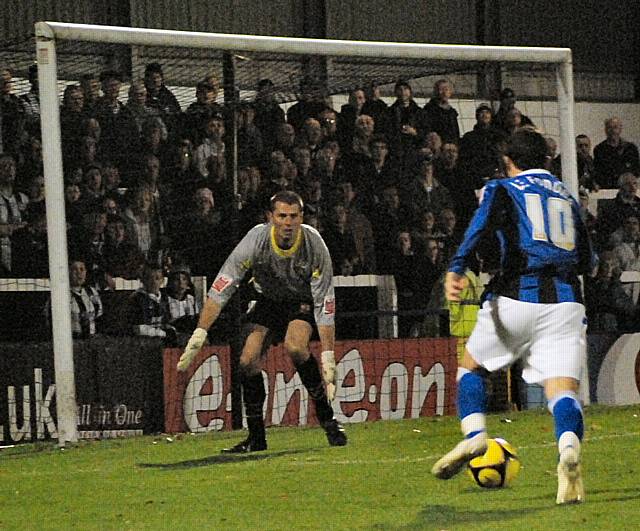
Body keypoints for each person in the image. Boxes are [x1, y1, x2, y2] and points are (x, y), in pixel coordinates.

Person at [431, 129, 595, 505]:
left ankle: (475, 436)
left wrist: (457, 267)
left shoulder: (502, 188)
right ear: (548, 160)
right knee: (562, 393)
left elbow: (479, 226)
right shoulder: (566, 195)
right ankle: (568, 450)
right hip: (567, 302)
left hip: (516, 296)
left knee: (471, 369)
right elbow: (588, 259)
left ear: (508, 160)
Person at [176, 190, 347, 452]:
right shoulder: (256, 239)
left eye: (293, 216)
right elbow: (223, 285)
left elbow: (325, 301)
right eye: (281, 216)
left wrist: (328, 355)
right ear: (270, 217)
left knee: (296, 347)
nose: (287, 222)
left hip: (299, 302)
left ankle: (328, 419)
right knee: (246, 361)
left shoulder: (314, 245)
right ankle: (256, 438)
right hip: (267, 302)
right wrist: (200, 332)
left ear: (301, 217)